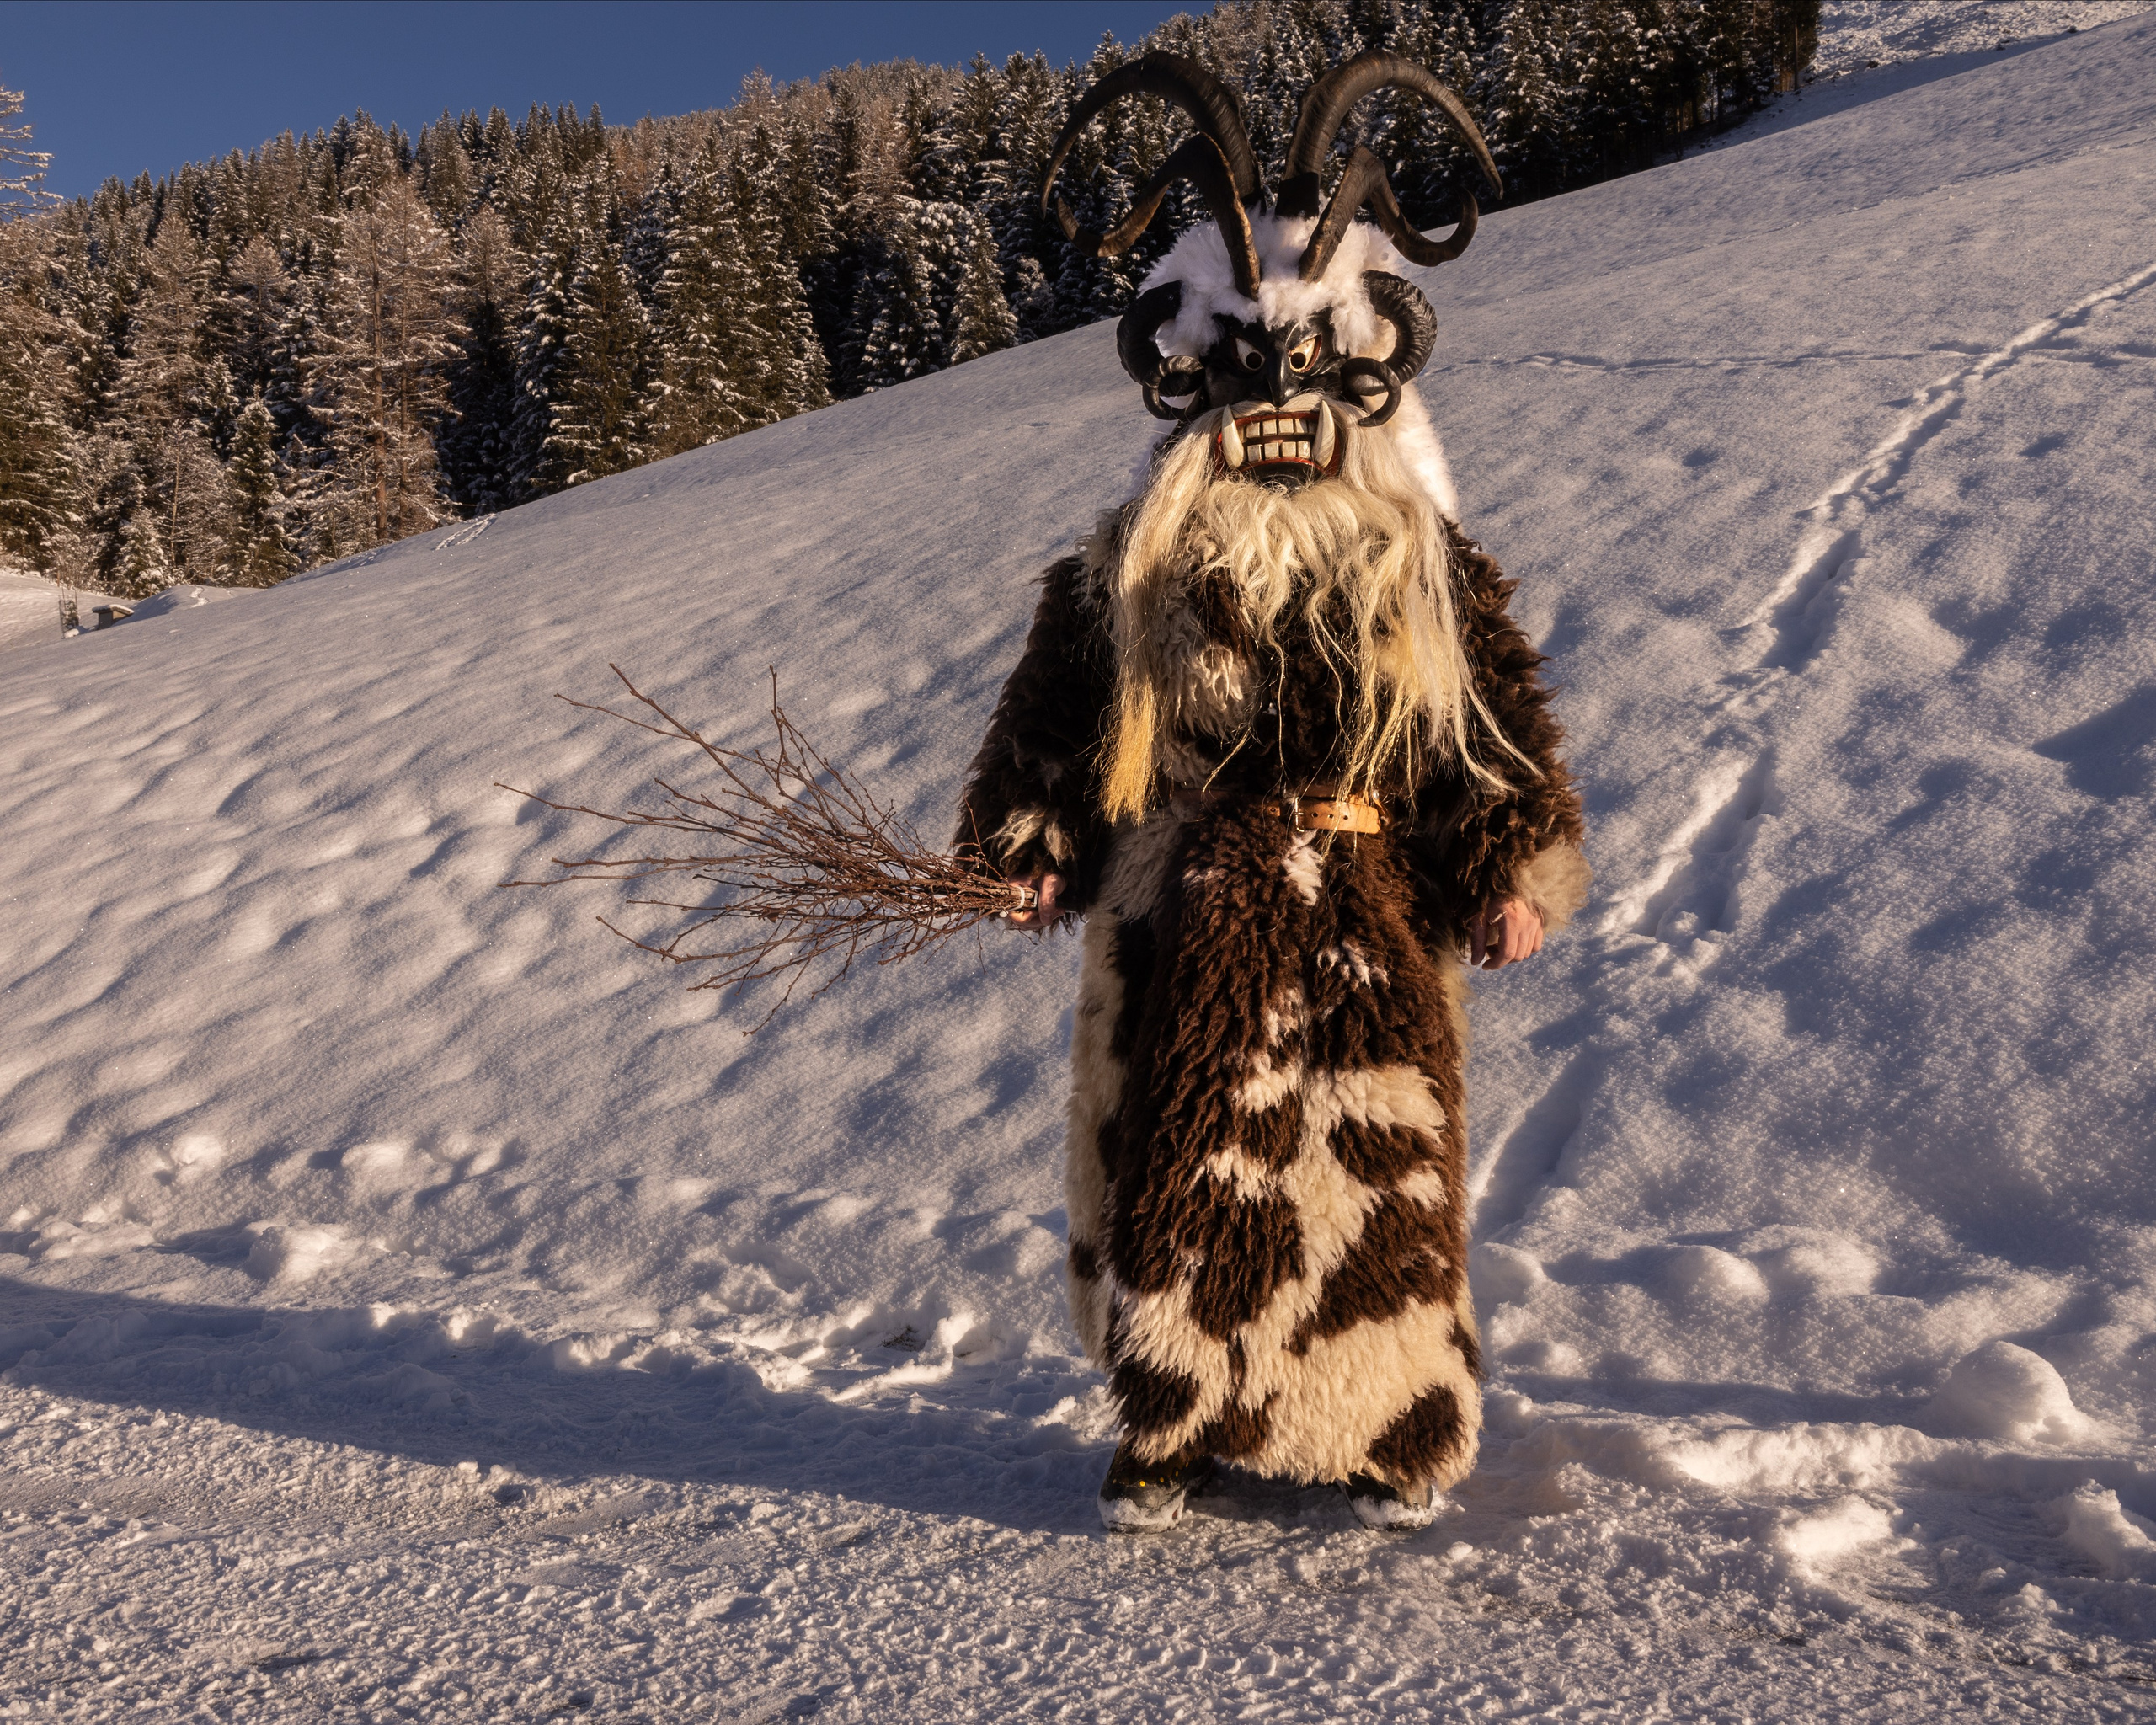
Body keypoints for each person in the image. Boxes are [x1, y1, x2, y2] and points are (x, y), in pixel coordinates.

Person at [956, 51, 1588, 1533]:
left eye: (1309, 380)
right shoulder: (1131, 571)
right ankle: (1173, 1415)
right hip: (1187, 911)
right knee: (1185, 1164)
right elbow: (1056, 725)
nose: (1279, 419)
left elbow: (1487, 734)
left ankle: (1392, 1425)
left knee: (1379, 1170)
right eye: (1247, 383)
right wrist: (1035, 838)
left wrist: (1509, 865)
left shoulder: (1425, 569)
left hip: (1373, 909)